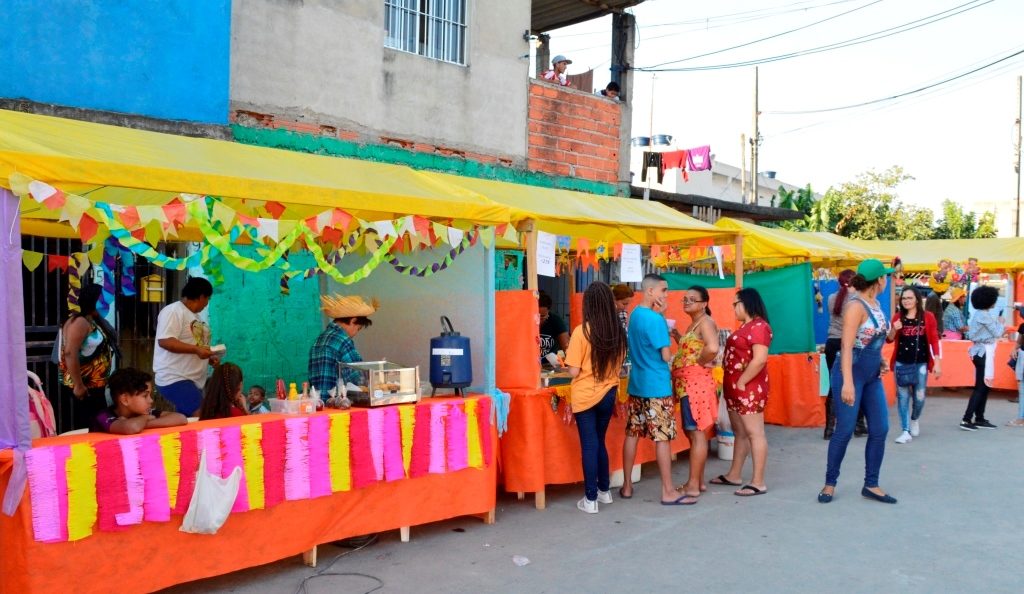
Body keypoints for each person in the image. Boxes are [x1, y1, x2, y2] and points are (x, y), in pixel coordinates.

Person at [819, 259, 897, 505]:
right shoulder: (855, 306)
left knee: (880, 428)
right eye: (886, 277)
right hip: (850, 373)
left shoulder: (875, 304)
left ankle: (871, 484)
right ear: (879, 280)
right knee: (844, 429)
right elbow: (846, 345)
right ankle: (829, 484)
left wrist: (880, 362)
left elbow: (873, 340)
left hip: (871, 375)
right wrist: (848, 384)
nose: (887, 280)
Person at [619, 274, 688, 505]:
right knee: (663, 438)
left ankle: (627, 485)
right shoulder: (655, 320)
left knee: (632, 433)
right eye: (664, 290)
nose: (666, 295)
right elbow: (665, 355)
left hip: (637, 383)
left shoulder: (635, 315)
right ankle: (668, 491)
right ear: (650, 291)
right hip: (657, 385)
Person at [564, 282, 627, 514]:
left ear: (588, 304)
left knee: (590, 444)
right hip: (609, 392)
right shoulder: (618, 333)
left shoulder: (582, 331)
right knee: (599, 441)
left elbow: (573, 371)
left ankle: (590, 499)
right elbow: (620, 367)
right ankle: (604, 491)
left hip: (585, 395)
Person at [715, 288, 772, 497]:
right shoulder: (746, 326)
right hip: (737, 388)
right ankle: (734, 474)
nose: (733, 308)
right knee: (740, 432)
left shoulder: (759, 327)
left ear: (746, 303)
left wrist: (742, 381)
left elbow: (759, 359)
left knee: (755, 433)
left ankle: (758, 481)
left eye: (735, 304)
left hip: (748, 389)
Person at [671, 286, 719, 501]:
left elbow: (712, 348)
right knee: (693, 433)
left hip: (695, 386)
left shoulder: (706, 322)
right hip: (688, 385)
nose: (686, 302)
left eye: (692, 299)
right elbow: (694, 348)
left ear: (704, 303)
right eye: (685, 299)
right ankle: (697, 480)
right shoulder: (694, 324)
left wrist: (698, 363)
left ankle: (692, 485)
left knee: (697, 433)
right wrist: (677, 337)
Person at [154, 277, 216, 416]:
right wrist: (196, 350)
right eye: (208, 299)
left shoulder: (196, 317)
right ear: (201, 297)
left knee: (187, 421)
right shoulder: (173, 311)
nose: (207, 303)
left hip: (193, 380)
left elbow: (195, 345)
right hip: (176, 377)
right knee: (201, 414)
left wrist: (208, 357)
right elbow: (165, 341)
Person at [888, 287, 942, 444]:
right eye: (904, 298)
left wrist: (937, 361)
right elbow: (889, 339)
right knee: (903, 397)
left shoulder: (928, 317)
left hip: (921, 363)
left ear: (917, 299)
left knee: (920, 396)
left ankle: (915, 418)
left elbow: (934, 339)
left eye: (909, 298)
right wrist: (894, 329)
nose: (906, 301)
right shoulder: (897, 317)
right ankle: (905, 430)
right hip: (901, 362)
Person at [59, 284, 116, 430]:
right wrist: (79, 385)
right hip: (84, 386)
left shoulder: (91, 320)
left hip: (94, 385)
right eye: (103, 299)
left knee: (96, 424)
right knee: (90, 426)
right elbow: (70, 352)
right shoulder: (80, 322)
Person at [960, 285, 1008, 431]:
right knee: (981, 387)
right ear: (989, 300)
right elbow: (997, 333)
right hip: (983, 352)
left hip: (980, 351)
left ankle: (979, 417)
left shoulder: (980, 314)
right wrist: (1001, 322)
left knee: (984, 386)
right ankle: (967, 419)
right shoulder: (985, 316)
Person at [309, 295, 376, 396]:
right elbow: (357, 378)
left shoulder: (319, 339)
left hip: (318, 403)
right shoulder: (343, 340)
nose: (355, 333)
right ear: (353, 321)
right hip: (338, 404)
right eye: (358, 328)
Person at [92, 368, 187, 434]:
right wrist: (145, 419)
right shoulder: (103, 416)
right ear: (125, 399)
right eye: (145, 396)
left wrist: (142, 423)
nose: (151, 400)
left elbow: (181, 418)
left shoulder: (142, 413)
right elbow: (132, 427)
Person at [823, 269, 855, 440]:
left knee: (833, 384)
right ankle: (858, 424)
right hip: (848, 344)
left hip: (832, 342)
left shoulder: (831, 299)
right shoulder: (855, 301)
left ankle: (829, 428)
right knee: (855, 381)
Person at [538, 292, 569, 362]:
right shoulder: (525, 322)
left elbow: (567, 347)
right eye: (536, 315)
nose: (539, 319)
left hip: (549, 364)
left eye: (542, 316)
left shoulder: (556, 320)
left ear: (548, 312)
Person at [1009, 323, 1024, 427]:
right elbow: (1019, 342)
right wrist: (1014, 349)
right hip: (1023, 358)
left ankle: (1021, 418)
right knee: (1022, 390)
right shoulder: (1023, 326)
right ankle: (1021, 418)